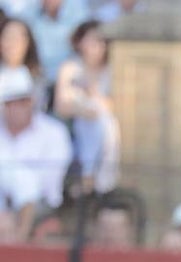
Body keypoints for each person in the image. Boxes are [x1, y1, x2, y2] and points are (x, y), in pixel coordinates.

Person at [53, 18, 119, 194]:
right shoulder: (69, 68)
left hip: (103, 123)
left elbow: (114, 105)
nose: (96, 46)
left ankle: (92, 176)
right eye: (91, 39)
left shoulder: (112, 70)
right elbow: (61, 105)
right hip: (74, 125)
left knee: (103, 122)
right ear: (80, 41)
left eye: (100, 41)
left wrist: (94, 95)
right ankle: (91, 176)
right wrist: (83, 110)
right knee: (96, 122)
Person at [0, 64, 71, 216]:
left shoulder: (54, 132)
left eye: (22, 101)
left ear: (32, 101)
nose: (16, 107)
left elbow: (50, 181)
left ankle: (19, 235)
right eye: (9, 103)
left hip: (41, 205)